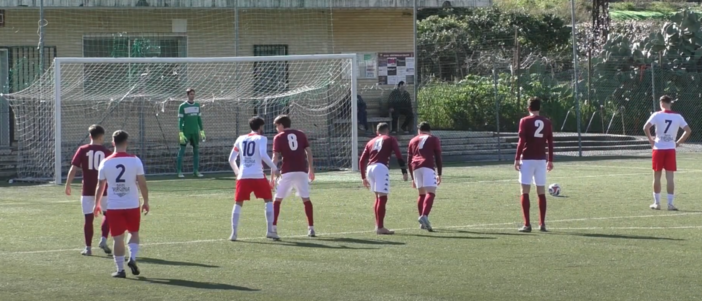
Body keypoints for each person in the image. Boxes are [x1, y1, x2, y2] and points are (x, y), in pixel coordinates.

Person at [95, 130, 150, 278]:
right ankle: (132, 258)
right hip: (132, 204)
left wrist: (97, 204)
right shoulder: (135, 160)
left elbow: (100, 186)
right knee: (134, 233)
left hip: (114, 205)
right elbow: (143, 184)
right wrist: (146, 202)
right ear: (126, 142)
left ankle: (120, 270)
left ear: (113, 143)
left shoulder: (105, 162)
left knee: (118, 237)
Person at [228, 116, 279, 241]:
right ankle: (269, 231)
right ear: (260, 127)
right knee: (268, 200)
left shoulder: (240, 138)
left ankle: (234, 234)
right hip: (257, 175)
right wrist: (275, 169)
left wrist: (237, 172)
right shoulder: (261, 138)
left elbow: (231, 159)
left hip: (243, 176)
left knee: (238, 203)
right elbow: (263, 155)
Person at [65, 124, 112, 256]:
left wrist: (68, 184)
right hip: (104, 189)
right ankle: (103, 239)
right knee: (108, 214)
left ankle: (88, 248)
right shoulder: (106, 152)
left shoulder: (83, 149)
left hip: (87, 189)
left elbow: (73, 168)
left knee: (88, 219)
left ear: (90, 136)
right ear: (102, 137)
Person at [643, 95, 692, 211]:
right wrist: (678, 143)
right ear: (670, 103)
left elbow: (646, 127)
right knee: (670, 177)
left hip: (658, 148)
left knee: (657, 176)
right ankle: (670, 204)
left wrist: (651, 140)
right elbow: (688, 131)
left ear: (661, 103)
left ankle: (657, 203)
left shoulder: (657, 115)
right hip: (670, 149)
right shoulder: (678, 116)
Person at [359, 122, 409, 235]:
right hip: (381, 168)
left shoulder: (370, 142)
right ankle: (380, 227)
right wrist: (404, 171)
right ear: (387, 130)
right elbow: (398, 155)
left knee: (377, 197)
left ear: (377, 132)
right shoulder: (390, 139)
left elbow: (362, 160)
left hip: (370, 168)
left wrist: (363, 177)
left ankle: (378, 225)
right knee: (382, 198)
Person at [271, 115, 316, 237]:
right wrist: (311, 169)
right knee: (306, 199)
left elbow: (275, 157)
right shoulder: (301, 134)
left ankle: (273, 228)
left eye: (276, 126)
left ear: (281, 125)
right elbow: (309, 151)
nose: (276, 128)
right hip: (301, 171)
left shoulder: (278, 137)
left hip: (287, 171)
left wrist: (272, 176)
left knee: (277, 200)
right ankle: (311, 228)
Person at [514, 97, 554, 233]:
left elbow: (521, 141)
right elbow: (550, 142)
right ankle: (542, 224)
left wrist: (517, 158)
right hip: (541, 160)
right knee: (541, 191)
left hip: (527, 159)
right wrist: (551, 160)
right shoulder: (547, 122)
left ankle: (527, 224)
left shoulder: (524, 121)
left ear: (528, 108)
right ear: (539, 108)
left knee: (524, 190)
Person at [407, 122, 443, 232]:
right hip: (427, 165)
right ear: (429, 130)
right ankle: (424, 215)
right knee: (431, 192)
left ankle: (422, 223)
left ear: (419, 130)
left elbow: (408, 160)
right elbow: (438, 156)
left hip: (415, 167)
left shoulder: (413, 140)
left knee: (421, 194)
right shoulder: (433, 138)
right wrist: (439, 173)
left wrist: (412, 177)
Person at [177, 88, 206, 178]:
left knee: (196, 151)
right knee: (181, 151)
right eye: (191, 94)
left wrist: (202, 131)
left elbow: (199, 119)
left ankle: (196, 171)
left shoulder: (197, 105)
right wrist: (181, 133)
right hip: (186, 132)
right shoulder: (182, 106)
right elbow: (180, 120)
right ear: (187, 95)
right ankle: (179, 172)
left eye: (193, 94)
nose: (192, 96)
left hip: (195, 132)